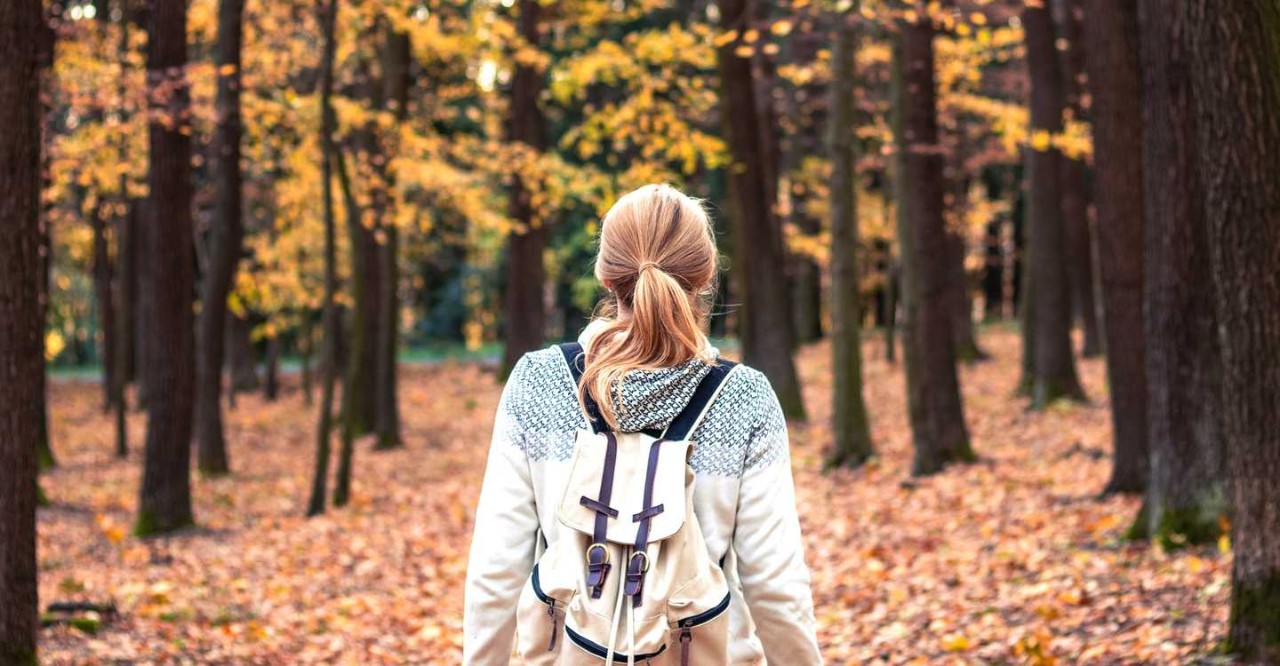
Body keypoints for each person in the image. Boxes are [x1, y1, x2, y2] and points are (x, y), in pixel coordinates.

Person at [463, 184, 821, 665]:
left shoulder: (538, 382)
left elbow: (496, 570)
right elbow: (776, 585)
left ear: (606, 278)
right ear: (706, 276)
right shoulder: (744, 399)